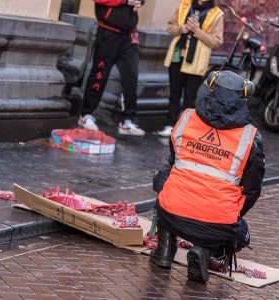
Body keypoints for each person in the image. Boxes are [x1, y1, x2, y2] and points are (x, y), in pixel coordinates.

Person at [150, 70, 265, 283]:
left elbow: (174, 161)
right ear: (244, 95)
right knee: (241, 231)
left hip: (171, 214)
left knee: (164, 177)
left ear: (211, 89)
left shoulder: (186, 117)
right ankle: (205, 249)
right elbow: (252, 190)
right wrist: (230, 214)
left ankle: (164, 250)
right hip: (217, 224)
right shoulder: (251, 136)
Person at [78, 0, 145, 136]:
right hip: (108, 32)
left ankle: (127, 120)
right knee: (100, 74)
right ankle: (86, 114)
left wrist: (139, 2)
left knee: (131, 75)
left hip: (129, 35)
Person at [158, 0, 224, 137]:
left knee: (189, 97)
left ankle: (184, 129)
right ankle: (170, 124)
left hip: (196, 60)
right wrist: (182, 29)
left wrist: (197, 31)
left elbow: (217, 41)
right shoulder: (185, 5)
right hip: (177, 54)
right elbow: (170, 27)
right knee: (174, 94)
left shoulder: (217, 14)